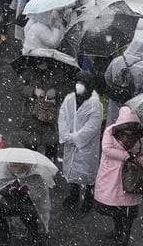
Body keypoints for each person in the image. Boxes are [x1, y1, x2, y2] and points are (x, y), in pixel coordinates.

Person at [94, 107, 143, 246]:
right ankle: (119, 231)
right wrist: (126, 156)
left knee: (127, 210)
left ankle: (124, 236)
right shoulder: (113, 131)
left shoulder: (131, 133)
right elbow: (107, 149)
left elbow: (141, 154)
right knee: (117, 207)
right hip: (120, 176)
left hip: (128, 176)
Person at [57, 71, 103, 211]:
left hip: (87, 146)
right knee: (72, 173)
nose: (79, 86)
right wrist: (65, 135)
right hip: (71, 143)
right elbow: (62, 116)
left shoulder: (95, 104)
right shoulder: (69, 99)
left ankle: (89, 199)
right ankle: (74, 196)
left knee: (88, 174)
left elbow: (92, 127)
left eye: (83, 83)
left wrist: (75, 138)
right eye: (78, 82)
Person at [0, 162, 51, 244]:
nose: (17, 169)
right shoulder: (4, 173)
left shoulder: (35, 176)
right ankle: (4, 232)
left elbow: (41, 197)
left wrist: (27, 192)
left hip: (30, 206)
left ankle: (35, 234)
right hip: (12, 203)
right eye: (14, 166)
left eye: (21, 167)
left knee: (27, 213)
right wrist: (9, 191)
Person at [104, 39, 143, 121]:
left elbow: (107, 77)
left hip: (117, 98)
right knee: (134, 126)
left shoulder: (117, 60)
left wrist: (116, 87)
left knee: (115, 123)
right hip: (135, 102)